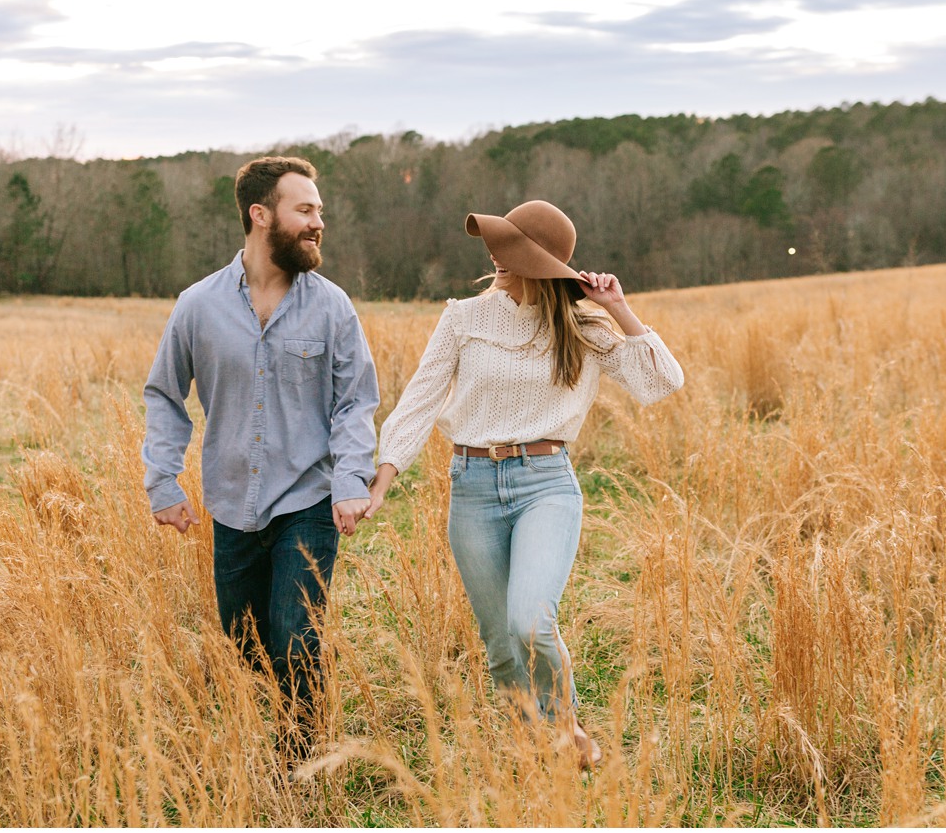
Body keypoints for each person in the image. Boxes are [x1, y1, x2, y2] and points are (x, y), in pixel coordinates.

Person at [363, 200, 684, 769]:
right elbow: (421, 395)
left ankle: (567, 728)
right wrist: (385, 476)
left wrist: (619, 309)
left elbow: (660, 382)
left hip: (545, 484)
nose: (495, 253)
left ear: (537, 261)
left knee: (530, 622)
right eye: (497, 241)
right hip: (473, 484)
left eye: (510, 246)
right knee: (500, 646)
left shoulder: (583, 324)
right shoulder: (463, 317)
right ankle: (539, 745)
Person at [143, 155, 379, 751]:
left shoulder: (332, 306)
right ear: (260, 215)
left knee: (296, 638)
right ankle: (267, 737)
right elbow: (164, 393)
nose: (318, 222)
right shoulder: (197, 305)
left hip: (309, 499)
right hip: (230, 505)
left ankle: (302, 764)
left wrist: (352, 481)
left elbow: (355, 402)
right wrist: (163, 483)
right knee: (245, 644)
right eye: (305, 210)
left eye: (319, 211)